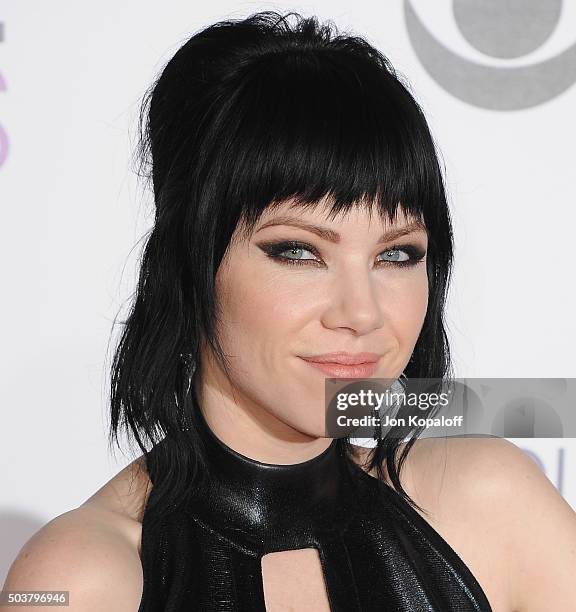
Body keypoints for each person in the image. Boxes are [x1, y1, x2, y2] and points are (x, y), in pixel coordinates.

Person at [3, 10, 576, 612]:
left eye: (397, 255)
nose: (363, 313)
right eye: (299, 251)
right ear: (192, 266)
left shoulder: (494, 503)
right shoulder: (80, 579)